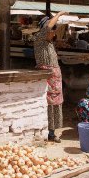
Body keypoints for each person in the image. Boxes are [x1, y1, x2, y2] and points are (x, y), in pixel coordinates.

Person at [33, 11, 67, 143]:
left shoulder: (50, 43)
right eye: (52, 30)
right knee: (48, 106)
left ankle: (52, 133)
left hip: (56, 80)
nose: (53, 33)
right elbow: (48, 27)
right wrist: (59, 14)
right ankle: (46, 132)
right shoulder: (39, 39)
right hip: (48, 80)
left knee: (55, 105)